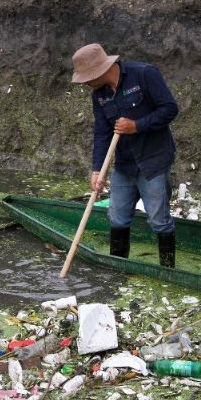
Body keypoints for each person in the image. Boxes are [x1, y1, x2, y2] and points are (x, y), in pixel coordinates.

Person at [71, 43, 179, 267]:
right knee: (118, 217)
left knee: (159, 220)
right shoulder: (99, 96)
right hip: (124, 165)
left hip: (153, 161)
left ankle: (168, 269)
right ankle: (117, 267)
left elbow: (169, 109)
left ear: (100, 71)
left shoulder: (144, 75)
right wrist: (97, 169)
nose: (86, 83)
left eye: (87, 77)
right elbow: (102, 133)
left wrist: (137, 125)